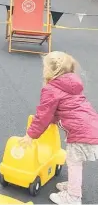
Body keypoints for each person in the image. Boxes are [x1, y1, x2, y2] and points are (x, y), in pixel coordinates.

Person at [19, 51, 98, 205]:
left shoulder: (51, 89)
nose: (43, 70)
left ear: (52, 71)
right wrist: (53, 121)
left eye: (44, 67)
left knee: (74, 162)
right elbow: (62, 108)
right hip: (92, 126)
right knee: (77, 161)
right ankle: (72, 186)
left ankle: (73, 197)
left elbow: (43, 115)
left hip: (80, 132)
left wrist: (30, 135)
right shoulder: (72, 85)